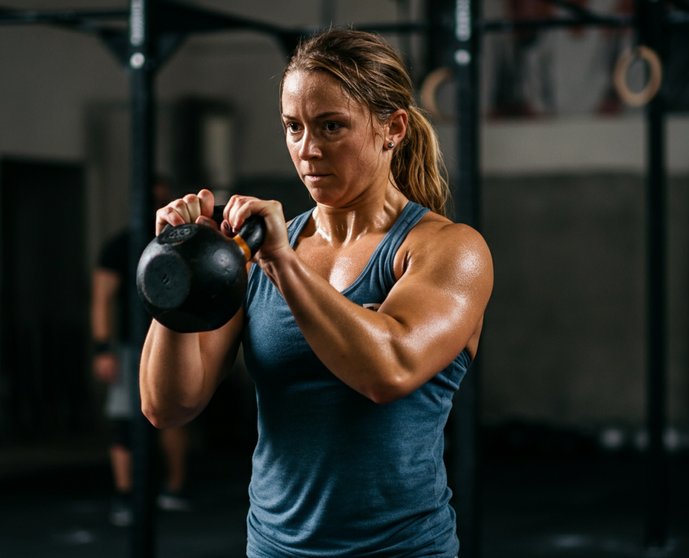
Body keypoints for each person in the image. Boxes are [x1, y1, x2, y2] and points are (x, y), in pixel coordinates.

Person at [140, 28, 494, 556]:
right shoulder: (257, 254)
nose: (308, 150)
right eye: (293, 127)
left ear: (391, 128)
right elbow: (167, 406)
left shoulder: (448, 250)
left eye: (331, 126)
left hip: (398, 549)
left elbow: (388, 369)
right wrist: (180, 272)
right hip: (274, 547)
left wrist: (282, 261)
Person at [92, 176, 192, 527]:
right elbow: (102, 297)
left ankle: (175, 488)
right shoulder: (120, 245)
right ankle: (125, 495)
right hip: (129, 346)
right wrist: (103, 348)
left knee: (174, 415)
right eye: (152, 198)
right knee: (124, 422)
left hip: (171, 337)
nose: (157, 203)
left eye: (162, 197)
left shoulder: (182, 241)